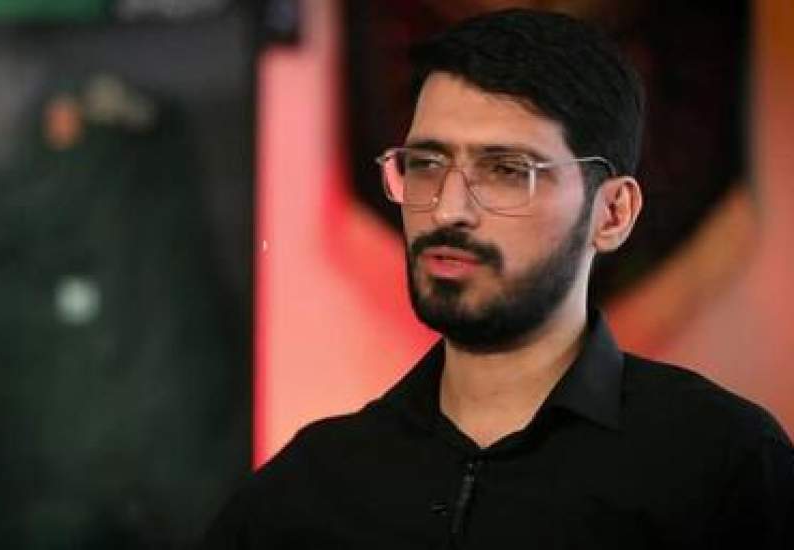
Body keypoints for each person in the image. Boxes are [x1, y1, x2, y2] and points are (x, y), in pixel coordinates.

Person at [200, 8, 793, 549]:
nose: (448, 209)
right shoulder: (312, 484)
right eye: (426, 164)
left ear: (613, 213)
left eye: (508, 171)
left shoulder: (721, 464)